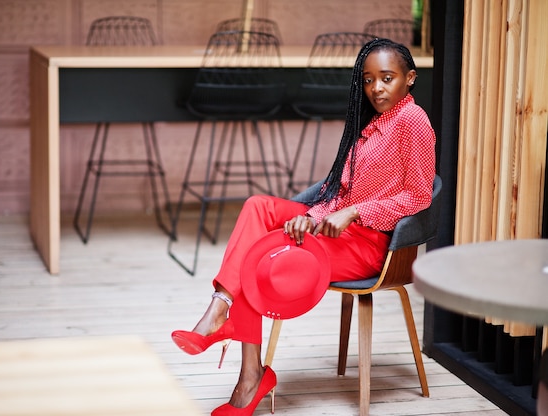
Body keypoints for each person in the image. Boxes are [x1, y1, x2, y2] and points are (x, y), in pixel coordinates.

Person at [171, 38, 436, 416]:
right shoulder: (371, 126)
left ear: (409, 79)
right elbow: (338, 194)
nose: (376, 88)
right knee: (258, 207)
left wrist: (356, 212)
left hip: (371, 245)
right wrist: (310, 218)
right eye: (368, 80)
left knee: (260, 255)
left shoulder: (413, 121)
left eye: (387, 78)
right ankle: (221, 306)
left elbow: (418, 196)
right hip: (335, 232)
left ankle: (248, 374)